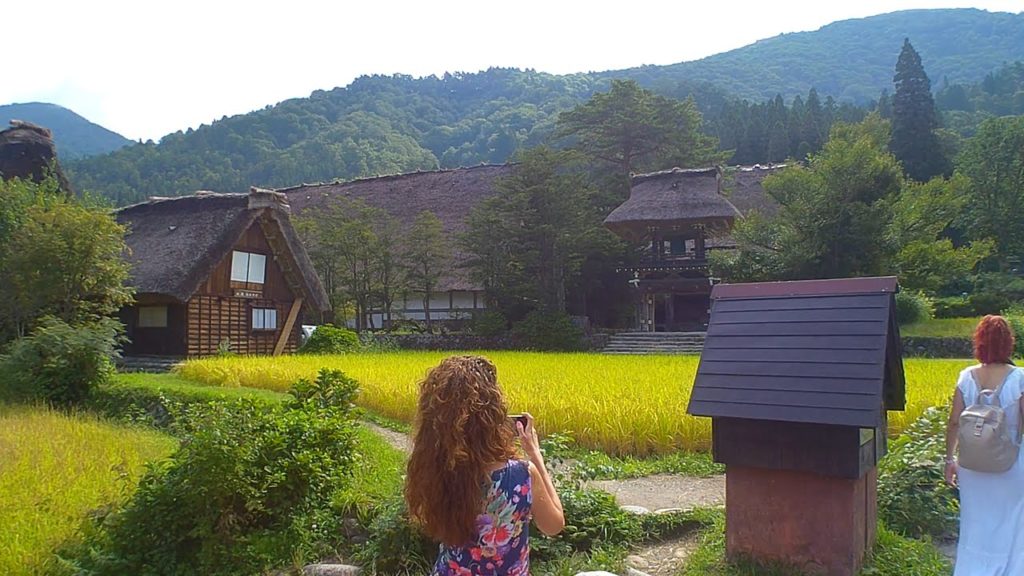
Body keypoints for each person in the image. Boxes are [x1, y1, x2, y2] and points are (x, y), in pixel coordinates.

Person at [405, 355, 564, 576]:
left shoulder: (436, 470)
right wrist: (535, 455)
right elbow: (554, 525)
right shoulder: (521, 475)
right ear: (493, 415)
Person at [945, 315, 1024, 575]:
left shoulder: (966, 377)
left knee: (975, 523)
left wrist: (949, 460)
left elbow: (954, 422)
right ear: (1008, 343)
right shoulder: (1019, 378)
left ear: (979, 342)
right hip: (1010, 463)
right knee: (1013, 522)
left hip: (971, 465)